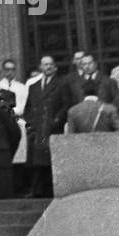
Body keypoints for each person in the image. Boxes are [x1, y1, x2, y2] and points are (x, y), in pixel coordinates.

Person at [24, 55, 69, 198]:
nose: (48, 67)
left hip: (52, 127)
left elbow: (66, 105)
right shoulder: (33, 86)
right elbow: (28, 108)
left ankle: (51, 191)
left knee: (51, 160)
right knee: (36, 161)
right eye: (45, 64)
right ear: (40, 67)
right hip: (37, 129)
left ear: (55, 67)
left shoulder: (62, 84)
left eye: (50, 64)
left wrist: (56, 120)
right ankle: (36, 190)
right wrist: (30, 124)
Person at [0, 58, 29, 195]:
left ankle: (19, 187)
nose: (10, 72)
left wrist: (11, 111)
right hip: (1, 126)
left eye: (12, 69)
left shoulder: (22, 87)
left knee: (19, 157)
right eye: (7, 69)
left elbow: (23, 107)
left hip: (17, 122)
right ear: (3, 70)